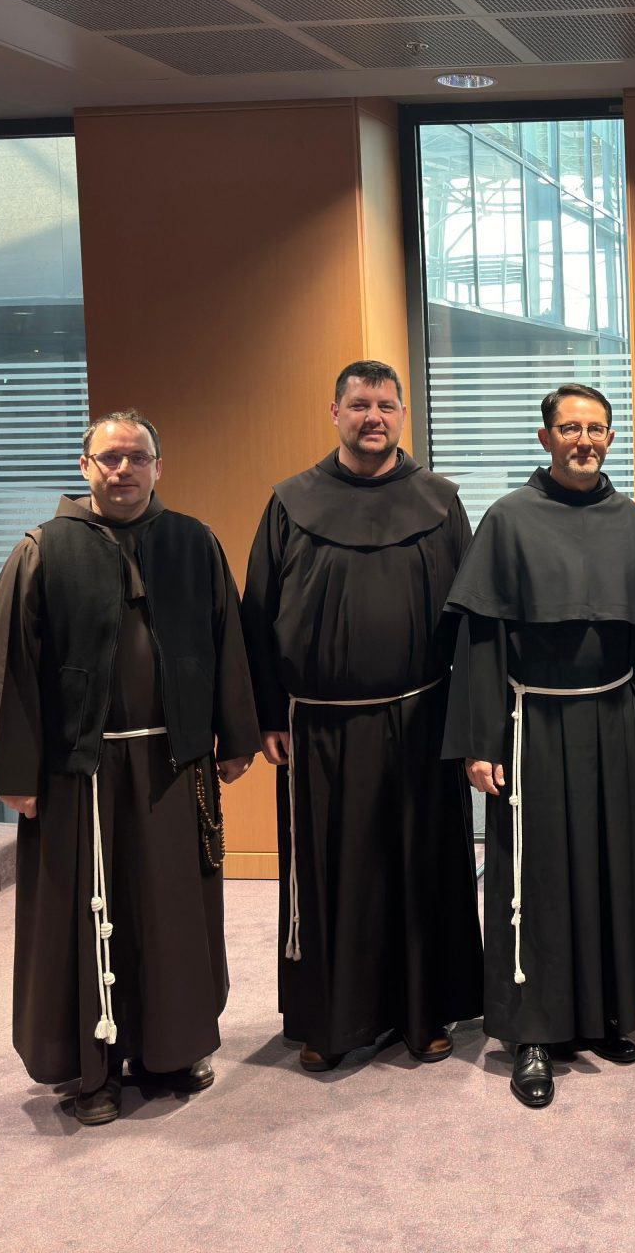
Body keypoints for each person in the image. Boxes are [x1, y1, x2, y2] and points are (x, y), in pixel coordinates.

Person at [0, 409, 261, 1127]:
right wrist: (16, 772)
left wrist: (235, 736)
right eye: (110, 458)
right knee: (86, 916)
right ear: (86, 467)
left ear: (159, 466)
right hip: (81, 773)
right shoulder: (43, 551)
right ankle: (92, 1069)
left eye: (137, 457)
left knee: (173, 912)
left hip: (173, 763)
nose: (123, 469)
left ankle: (173, 1051)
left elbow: (227, 640)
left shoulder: (194, 543)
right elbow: (12, 667)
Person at [442, 383, 635, 1108]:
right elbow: (482, 639)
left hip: (611, 719)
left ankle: (607, 1011)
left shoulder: (631, 522)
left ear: (610, 438)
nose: (585, 440)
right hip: (532, 724)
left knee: (612, 865)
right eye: (571, 428)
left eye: (597, 429)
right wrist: (481, 740)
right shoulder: (508, 520)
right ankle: (533, 1031)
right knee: (535, 876)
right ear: (545, 437)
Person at [241, 359, 482, 1072]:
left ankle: (424, 1013)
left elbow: (473, 621)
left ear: (402, 414)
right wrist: (268, 715)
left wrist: (470, 721)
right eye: (358, 405)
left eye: (385, 405)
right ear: (335, 413)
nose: (372, 417)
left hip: (420, 719)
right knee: (334, 877)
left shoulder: (440, 502)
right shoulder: (291, 503)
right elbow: (257, 616)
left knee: (419, 870)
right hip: (320, 727)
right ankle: (330, 1020)